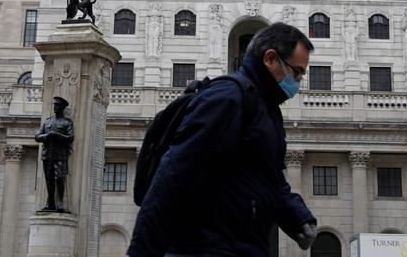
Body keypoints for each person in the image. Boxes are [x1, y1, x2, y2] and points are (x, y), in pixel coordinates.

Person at [127, 22, 318, 257]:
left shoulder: (267, 109)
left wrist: (297, 217)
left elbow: (268, 178)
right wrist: (140, 252)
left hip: (239, 247)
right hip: (206, 248)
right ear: (270, 59)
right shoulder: (228, 98)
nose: (297, 81)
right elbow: (175, 173)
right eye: (297, 72)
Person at [34, 96, 74, 212]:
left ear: (62, 107)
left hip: (60, 155)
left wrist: (56, 135)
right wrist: (47, 136)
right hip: (47, 155)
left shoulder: (67, 122)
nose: (55, 107)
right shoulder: (48, 122)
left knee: (59, 178)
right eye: (54, 105)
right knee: (49, 179)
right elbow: (37, 137)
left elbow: (70, 137)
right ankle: (50, 203)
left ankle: (60, 203)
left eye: (57, 105)